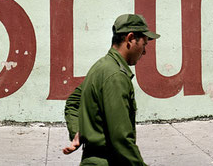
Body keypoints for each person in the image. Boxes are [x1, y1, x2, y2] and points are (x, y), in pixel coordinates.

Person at [62, 14, 159, 165]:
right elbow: (121, 138)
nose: (144, 52)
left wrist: (77, 131)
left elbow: (73, 102)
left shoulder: (100, 66)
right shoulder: (116, 76)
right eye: (144, 44)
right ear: (130, 38)